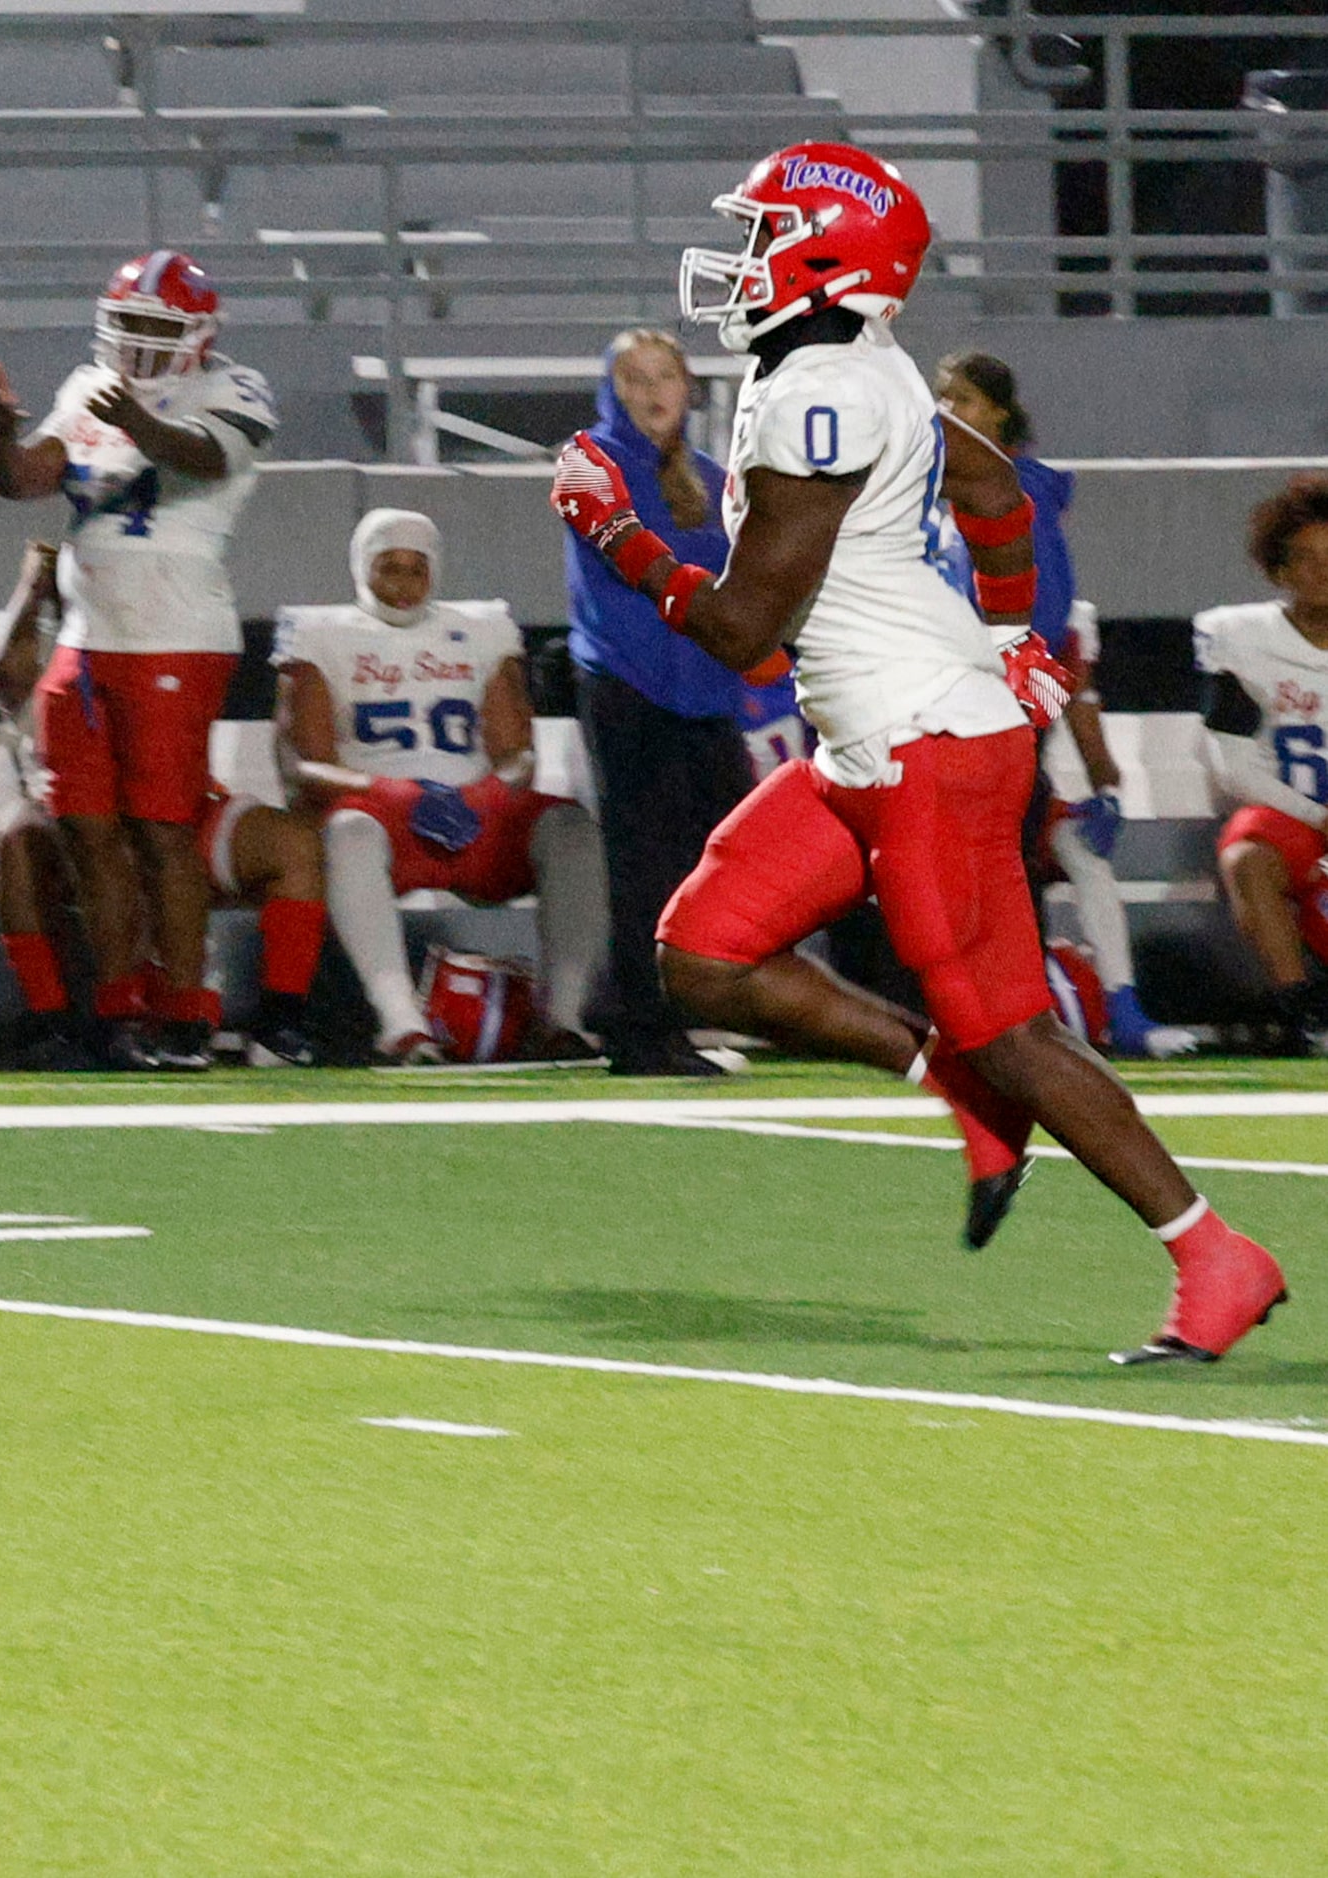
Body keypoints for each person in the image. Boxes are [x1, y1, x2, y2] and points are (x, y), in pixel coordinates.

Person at [558, 139, 1286, 1364]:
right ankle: (952, 1083)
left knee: (1015, 1030)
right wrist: (1014, 633)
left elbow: (740, 631)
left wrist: (613, 529)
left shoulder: (821, 389)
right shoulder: (853, 369)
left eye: (764, 236)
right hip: (877, 737)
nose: (743, 262)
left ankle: (1213, 1252)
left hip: (927, 744)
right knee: (704, 956)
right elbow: (999, 498)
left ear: (827, 255)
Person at [0, 250, 274, 1070]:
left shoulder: (233, 388)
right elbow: (23, 480)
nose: (138, 345)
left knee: (161, 832)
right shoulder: (86, 388)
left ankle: (184, 1008)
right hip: (85, 636)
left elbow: (202, 456)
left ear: (198, 335)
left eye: (156, 328)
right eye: (127, 327)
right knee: (87, 830)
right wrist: (3, 430)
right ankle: (117, 1008)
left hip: (174, 635)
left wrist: (134, 421)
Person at [0, 539, 326, 1069]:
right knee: (20, 841)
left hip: (179, 808)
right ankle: (56, 1021)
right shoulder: (32, 632)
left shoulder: (167, 620)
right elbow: (2, 676)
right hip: (73, 817)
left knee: (292, 844)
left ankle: (280, 1022)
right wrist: (33, 589)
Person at [275, 508, 607, 1061]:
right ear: (361, 567)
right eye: (389, 568)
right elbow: (300, 767)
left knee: (571, 829)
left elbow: (517, 754)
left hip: (475, 816)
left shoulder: (480, 629)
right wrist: (393, 794)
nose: (404, 584)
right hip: (382, 816)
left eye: (416, 569)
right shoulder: (319, 634)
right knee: (351, 833)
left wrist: (480, 796)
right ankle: (402, 1024)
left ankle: (563, 1017)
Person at [929, 351, 1188, 1058]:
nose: (947, 412)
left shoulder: (1015, 496)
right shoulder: (943, 494)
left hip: (989, 708)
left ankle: (1070, 1013)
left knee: (1007, 866)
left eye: (964, 401)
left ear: (1001, 415)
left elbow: (1052, 644)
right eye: (940, 398)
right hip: (949, 703)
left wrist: (1101, 779)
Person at [563, 329, 763, 1077]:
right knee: (646, 862)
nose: (651, 392)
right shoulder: (586, 460)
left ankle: (627, 1004)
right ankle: (642, 1029)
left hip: (705, 698)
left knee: (719, 859)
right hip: (628, 689)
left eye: (664, 377)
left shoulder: (714, 481)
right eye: (633, 379)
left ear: (687, 389)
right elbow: (632, 566)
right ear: (610, 390)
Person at [1195, 473, 1328, 1048]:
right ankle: (1303, 1013)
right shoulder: (1241, 636)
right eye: (1306, 559)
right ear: (1277, 571)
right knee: (1249, 847)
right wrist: (1320, 819)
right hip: (1299, 827)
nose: (1323, 572)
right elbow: (1234, 768)